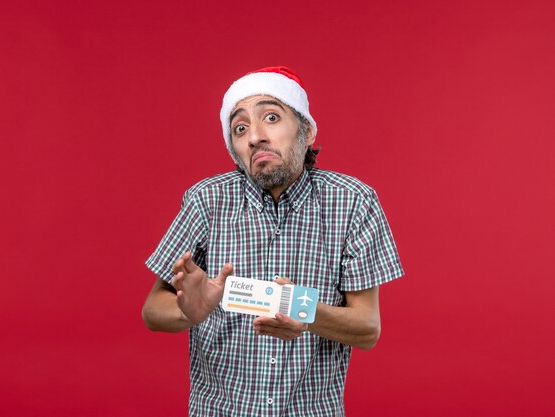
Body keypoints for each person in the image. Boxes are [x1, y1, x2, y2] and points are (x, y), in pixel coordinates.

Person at [142, 66, 404, 416]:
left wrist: (303, 311)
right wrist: (187, 312)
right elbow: (151, 310)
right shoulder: (206, 200)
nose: (255, 137)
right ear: (235, 150)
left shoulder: (354, 201)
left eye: (270, 117)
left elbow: (367, 329)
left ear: (307, 131)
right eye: (240, 128)